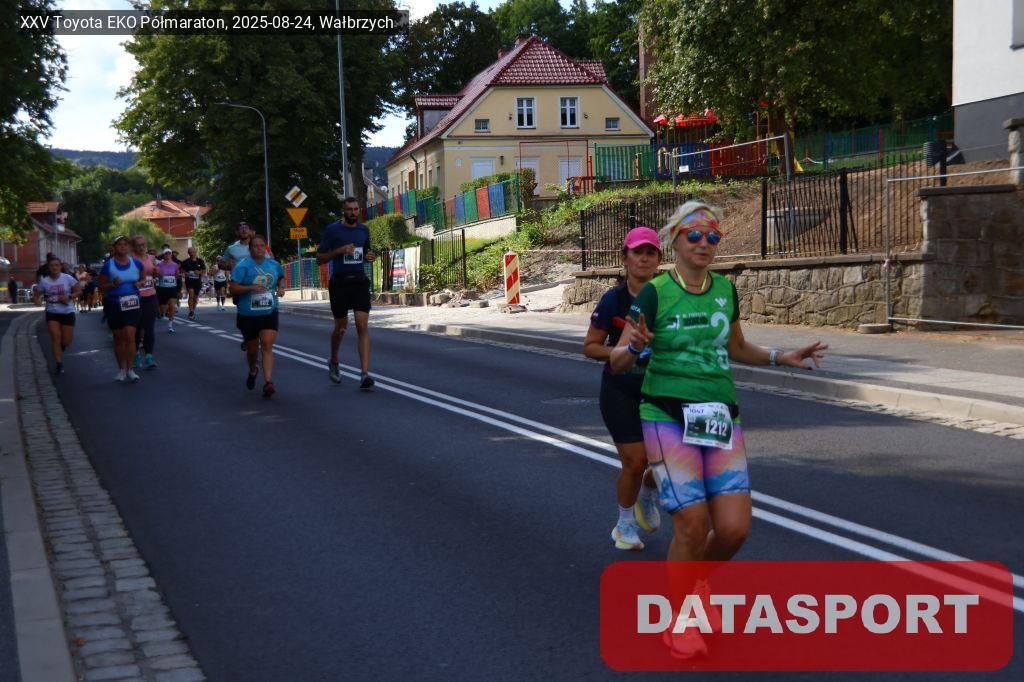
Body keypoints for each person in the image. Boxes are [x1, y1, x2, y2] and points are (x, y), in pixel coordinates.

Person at [610, 201, 827, 659]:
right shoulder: (654, 294)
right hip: (666, 415)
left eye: (713, 236)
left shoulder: (725, 290)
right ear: (675, 240)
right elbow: (616, 361)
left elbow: (738, 347)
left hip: (719, 417)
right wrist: (634, 347)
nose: (704, 243)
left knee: (733, 529)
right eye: (695, 235)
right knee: (692, 524)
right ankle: (681, 621)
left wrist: (780, 357)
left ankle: (696, 580)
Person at [583, 226, 663, 551]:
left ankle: (648, 492)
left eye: (650, 253)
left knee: (669, 462)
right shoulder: (613, 300)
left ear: (659, 259)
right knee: (635, 461)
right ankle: (625, 524)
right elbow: (590, 346)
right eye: (637, 252)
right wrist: (621, 352)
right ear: (625, 258)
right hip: (620, 389)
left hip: (661, 389)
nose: (643, 259)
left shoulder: (669, 298)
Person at [317, 197, 376, 390]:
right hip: (339, 283)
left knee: (362, 325)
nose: (353, 212)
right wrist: (339, 250)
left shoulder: (363, 230)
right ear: (343, 211)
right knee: (341, 327)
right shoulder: (333, 230)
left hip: (359, 281)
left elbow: (367, 253)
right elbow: (319, 258)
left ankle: (364, 374)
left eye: (356, 209)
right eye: (349, 209)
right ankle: (334, 359)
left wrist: (371, 256)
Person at [229, 233, 285, 398]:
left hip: (269, 310)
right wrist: (251, 288)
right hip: (248, 313)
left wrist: (281, 288)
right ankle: (253, 370)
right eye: (255, 246)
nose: (259, 249)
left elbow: (281, 277)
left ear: (265, 248)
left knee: (267, 344)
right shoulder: (243, 266)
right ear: (250, 249)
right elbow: (233, 288)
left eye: (262, 246)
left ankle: (268, 382)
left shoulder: (273, 264)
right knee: (252, 350)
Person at [98, 236, 145, 382]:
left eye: (125, 244)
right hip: (114, 304)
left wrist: (140, 283)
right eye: (119, 244)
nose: (123, 247)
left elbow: (144, 279)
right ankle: (121, 370)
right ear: (114, 247)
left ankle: (130, 369)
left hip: (132, 303)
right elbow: (101, 286)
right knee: (119, 339)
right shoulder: (108, 265)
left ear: (129, 247)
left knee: (130, 336)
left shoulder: (136, 263)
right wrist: (112, 284)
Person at [34, 256, 80, 374]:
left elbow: (78, 290)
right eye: (52, 266)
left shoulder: (68, 278)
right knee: (55, 337)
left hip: (67, 312)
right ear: (48, 268)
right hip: (52, 312)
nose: (54, 267)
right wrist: (37, 300)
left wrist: (69, 297)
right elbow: (37, 294)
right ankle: (59, 363)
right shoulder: (45, 281)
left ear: (60, 267)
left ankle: (61, 347)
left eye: (57, 265)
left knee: (66, 342)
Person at [131, 235, 159, 369]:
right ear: (133, 247)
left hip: (151, 295)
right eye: (139, 245)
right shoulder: (130, 259)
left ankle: (149, 356)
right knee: (137, 327)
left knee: (149, 326)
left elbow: (154, 274)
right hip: (136, 296)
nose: (142, 247)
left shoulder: (151, 258)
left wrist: (156, 272)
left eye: (144, 244)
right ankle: (136, 354)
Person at [155, 247, 181, 332]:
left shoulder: (175, 265)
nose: (168, 255)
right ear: (163, 255)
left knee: (172, 306)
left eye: (169, 253)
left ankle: (170, 325)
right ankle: (163, 312)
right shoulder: (159, 265)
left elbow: (177, 276)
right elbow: (156, 275)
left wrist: (179, 289)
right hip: (162, 288)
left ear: (171, 255)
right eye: (166, 253)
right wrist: (158, 274)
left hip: (172, 288)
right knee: (163, 309)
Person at [181, 247, 206, 320]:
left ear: (196, 252)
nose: (192, 254)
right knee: (191, 294)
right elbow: (182, 270)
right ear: (188, 253)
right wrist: (185, 273)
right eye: (190, 252)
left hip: (197, 281)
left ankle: (192, 311)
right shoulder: (185, 261)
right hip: (189, 280)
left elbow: (204, 270)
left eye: (193, 252)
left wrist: (199, 272)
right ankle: (191, 311)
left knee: (195, 297)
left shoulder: (200, 261)